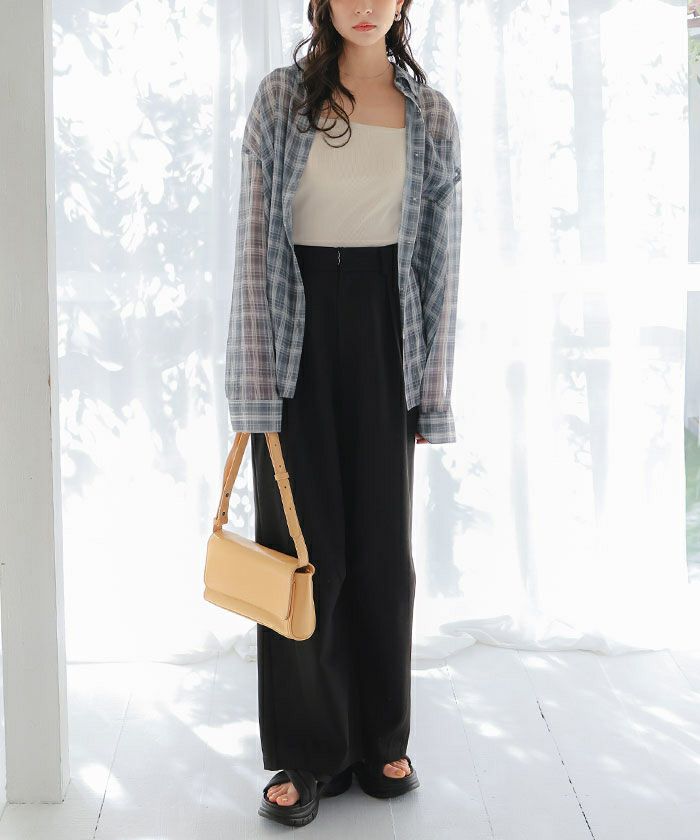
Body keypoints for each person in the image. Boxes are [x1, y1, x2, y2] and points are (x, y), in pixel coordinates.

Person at [224, 0, 462, 827]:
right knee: (303, 547)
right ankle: (308, 754)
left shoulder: (431, 113)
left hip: (388, 327)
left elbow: (440, 258)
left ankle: (379, 739)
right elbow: (255, 243)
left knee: (382, 549)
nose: (365, 6)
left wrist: (433, 387)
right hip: (296, 327)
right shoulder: (282, 98)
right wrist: (253, 383)